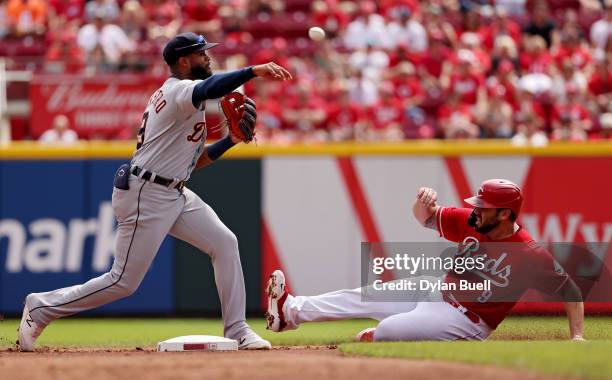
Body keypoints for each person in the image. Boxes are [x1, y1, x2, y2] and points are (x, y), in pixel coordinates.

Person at [18, 32, 292, 351]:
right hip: (146, 193)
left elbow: (192, 163)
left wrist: (229, 141)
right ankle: (41, 307)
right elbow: (210, 86)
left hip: (173, 191)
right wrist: (252, 71)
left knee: (225, 243)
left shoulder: (188, 97)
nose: (207, 58)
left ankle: (237, 329)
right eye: (201, 54)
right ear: (183, 61)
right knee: (122, 282)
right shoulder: (179, 90)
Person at [265, 179, 585, 342]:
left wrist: (578, 336)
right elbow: (426, 218)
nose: (475, 210)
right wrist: (422, 203)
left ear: (504, 214)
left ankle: (381, 339)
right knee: (363, 296)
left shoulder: (530, 254)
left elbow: (571, 291)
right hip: (436, 291)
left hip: (467, 320)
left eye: (483, 207)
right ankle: (289, 311)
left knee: (386, 331)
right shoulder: (473, 222)